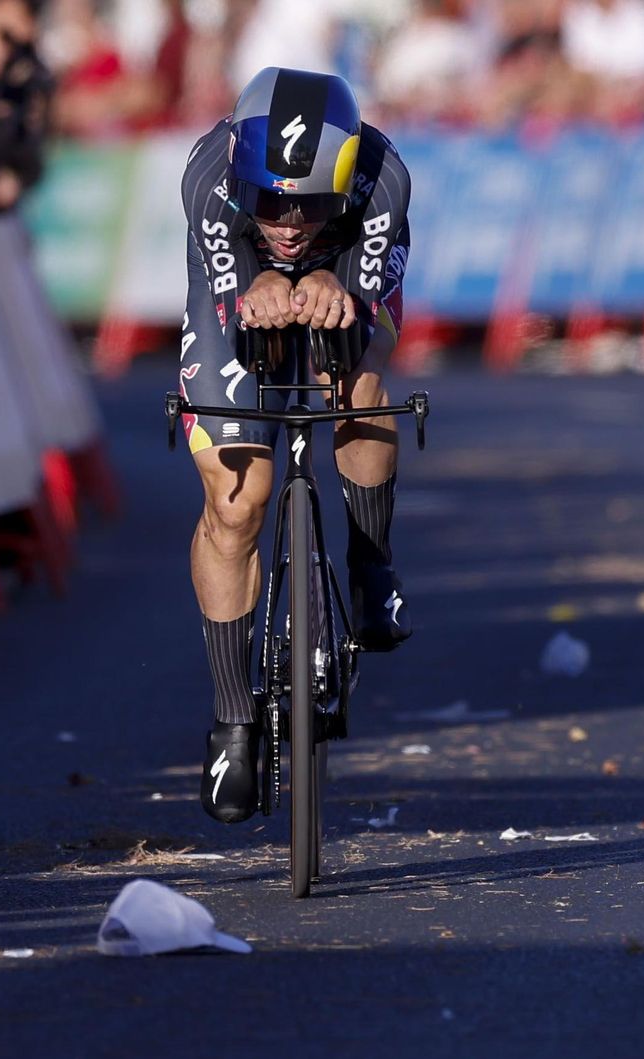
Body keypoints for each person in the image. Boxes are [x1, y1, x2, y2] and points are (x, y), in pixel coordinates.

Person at [178, 67, 413, 823]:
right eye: (271, 198)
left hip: (348, 265)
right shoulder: (210, 177)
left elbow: (369, 301)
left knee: (358, 387)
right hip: (233, 278)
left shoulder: (383, 182)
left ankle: (370, 560)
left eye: (307, 202)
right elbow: (226, 288)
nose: (287, 219)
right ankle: (231, 715)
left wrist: (333, 287)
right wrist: (259, 284)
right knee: (237, 500)